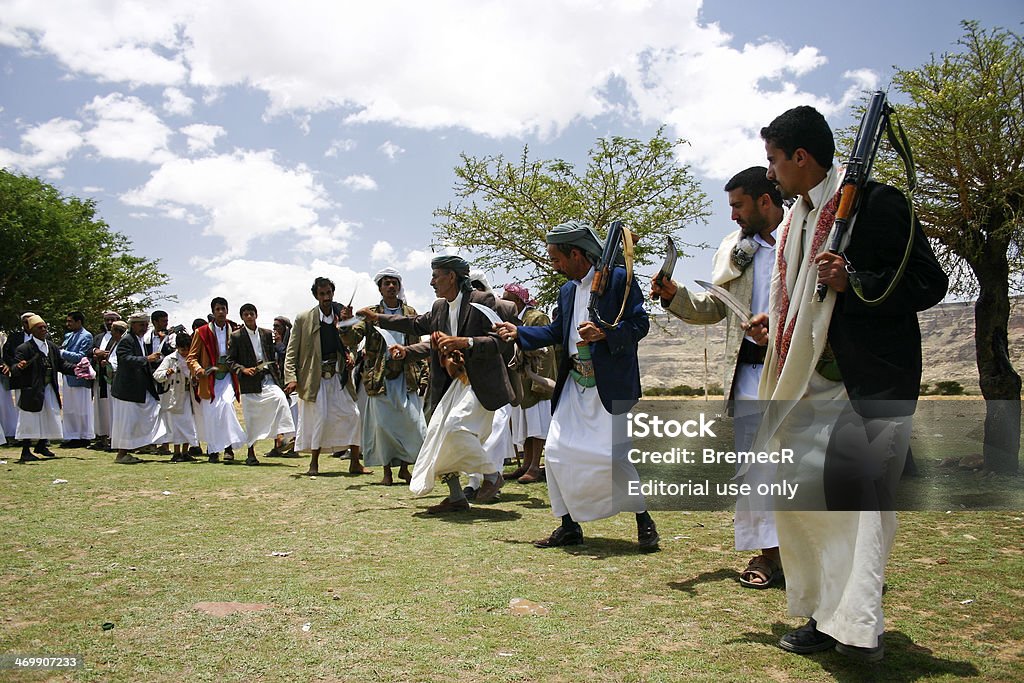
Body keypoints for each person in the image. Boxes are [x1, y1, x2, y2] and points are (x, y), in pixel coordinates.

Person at [749, 105, 948, 661]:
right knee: (809, 508)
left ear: (800, 157)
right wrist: (778, 325)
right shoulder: (796, 221)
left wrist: (855, 280)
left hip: (866, 386)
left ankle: (859, 628)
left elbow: (930, 282)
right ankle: (821, 615)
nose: (770, 173)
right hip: (806, 387)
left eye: (774, 160)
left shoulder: (878, 204)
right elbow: (803, 301)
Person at [651, 166, 784, 588]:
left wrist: (778, 329)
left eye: (738, 205)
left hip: (800, 371)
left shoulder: (804, 238)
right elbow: (713, 307)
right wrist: (675, 296)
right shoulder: (735, 248)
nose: (733, 217)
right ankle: (769, 557)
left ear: (766, 201)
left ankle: (811, 554)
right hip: (749, 376)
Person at [495, 221, 658, 551]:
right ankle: (569, 525)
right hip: (574, 383)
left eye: (557, 258)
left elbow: (640, 324)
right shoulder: (568, 291)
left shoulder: (618, 280)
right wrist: (519, 333)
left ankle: (644, 522)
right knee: (555, 453)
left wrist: (605, 334)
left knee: (614, 457)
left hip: (608, 384)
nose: (554, 265)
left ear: (575, 253)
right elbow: (558, 332)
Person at [359, 255, 518, 513]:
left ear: (451, 277)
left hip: (479, 383)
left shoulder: (481, 301)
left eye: (436, 276)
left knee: (456, 428)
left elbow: (500, 343)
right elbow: (414, 324)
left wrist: (464, 342)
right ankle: (456, 497)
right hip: (451, 383)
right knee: (436, 435)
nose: (431, 282)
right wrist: (380, 321)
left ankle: (491, 475)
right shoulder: (440, 307)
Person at [339, 268, 426, 486]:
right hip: (380, 378)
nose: (390, 286)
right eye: (386, 283)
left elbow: (418, 344)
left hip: (406, 375)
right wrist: (345, 324)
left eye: (394, 283)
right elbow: (352, 339)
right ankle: (387, 472)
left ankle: (405, 469)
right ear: (380, 287)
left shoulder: (410, 312)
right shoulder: (370, 313)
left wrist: (424, 374)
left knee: (411, 422)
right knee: (383, 425)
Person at [284, 277, 367, 476]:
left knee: (353, 416)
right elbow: (291, 351)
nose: (326, 297)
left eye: (328, 293)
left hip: (339, 376)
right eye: (322, 294)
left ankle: (355, 462)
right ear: (316, 296)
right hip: (315, 376)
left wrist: (351, 357)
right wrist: (291, 378)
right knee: (319, 418)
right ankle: (314, 463)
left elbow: (353, 343)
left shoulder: (343, 315)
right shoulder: (303, 318)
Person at [228, 303, 296, 466]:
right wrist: (243, 370)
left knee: (280, 399)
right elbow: (230, 361)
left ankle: (284, 438)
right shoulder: (237, 336)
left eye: (251, 313)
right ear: (242, 317)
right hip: (249, 382)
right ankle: (251, 452)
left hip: (268, 378)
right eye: (246, 314)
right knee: (251, 418)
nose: (249, 317)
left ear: (256, 315)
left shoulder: (266, 334)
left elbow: (276, 354)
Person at [502, 282, 556, 485]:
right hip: (522, 381)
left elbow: (546, 351)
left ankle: (535, 466)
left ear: (516, 300)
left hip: (536, 382)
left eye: (506, 297)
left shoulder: (537, 317)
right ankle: (525, 464)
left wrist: (539, 382)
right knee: (525, 424)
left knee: (537, 424)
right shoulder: (516, 319)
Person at [10, 315, 78, 462]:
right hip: (32, 389)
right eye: (39, 328)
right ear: (32, 330)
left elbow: (61, 364)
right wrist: (19, 366)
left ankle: (41, 445)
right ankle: (25, 450)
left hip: (49, 388)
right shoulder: (25, 348)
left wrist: (76, 369)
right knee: (29, 419)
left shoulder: (52, 347)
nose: (43, 330)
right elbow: (14, 368)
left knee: (49, 414)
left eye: (45, 327)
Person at [187, 297, 247, 463]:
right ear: (213, 312)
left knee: (227, 406)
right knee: (211, 413)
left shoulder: (235, 330)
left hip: (228, 375)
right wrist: (200, 370)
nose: (221, 312)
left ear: (227, 310)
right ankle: (213, 450)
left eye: (223, 309)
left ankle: (228, 448)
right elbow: (191, 357)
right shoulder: (202, 332)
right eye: (217, 309)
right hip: (209, 378)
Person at [110, 313, 169, 464]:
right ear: (133, 325)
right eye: (141, 325)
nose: (144, 328)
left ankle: (139, 446)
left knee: (151, 412)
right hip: (127, 390)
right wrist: (146, 359)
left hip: (140, 389)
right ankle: (122, 454)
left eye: (145, 325)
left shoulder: (140, 340)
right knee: (127, 422)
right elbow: (124, 359)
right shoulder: (127, 340)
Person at [153, 332, 200, 462]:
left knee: (189, 424)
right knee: (177, 425)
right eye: (182, 349)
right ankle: (177, 452)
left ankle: (185, 452)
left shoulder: (192, 359)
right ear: (177, 348)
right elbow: (157, 375)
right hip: (175, 396)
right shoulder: (170, 359)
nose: (185, 352)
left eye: (187, 349)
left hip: (188, 395)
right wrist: (167, 373)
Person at [87, 310, 121, 451]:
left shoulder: (119, 338)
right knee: (100, 407)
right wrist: (96, 352)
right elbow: (89, 351)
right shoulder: (98, 337)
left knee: (112, 407)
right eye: (107, 320)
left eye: (112, 320)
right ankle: (101, 437)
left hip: (111, 377)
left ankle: (113, 437)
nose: (109, 322)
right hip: (99, 376)